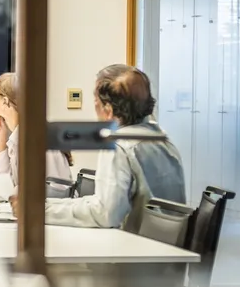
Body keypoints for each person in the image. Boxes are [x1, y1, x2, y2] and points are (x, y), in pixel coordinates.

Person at [43, 65, 186, 231]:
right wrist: (45, 206)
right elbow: (103, 204)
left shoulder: (119, 145)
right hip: (167, 251)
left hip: (134, 251)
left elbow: (105, 214)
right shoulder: (162, 140)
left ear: (108, 110)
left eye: (96, 102)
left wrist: (42, 212)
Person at [0, 72, 73, 193]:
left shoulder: (36, 139)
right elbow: (8, 188)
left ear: (5, 101)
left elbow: (56, 194)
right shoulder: (20, 135)